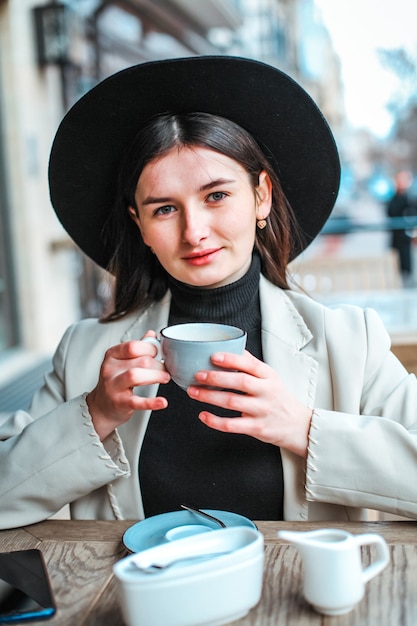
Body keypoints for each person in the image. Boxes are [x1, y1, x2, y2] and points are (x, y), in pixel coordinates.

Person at [1, 56, 417, 530]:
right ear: (139, 225)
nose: (194, 232)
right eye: (163, 209)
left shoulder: (348, 342)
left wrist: (304, 427)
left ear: (261, 196)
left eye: (216, 196)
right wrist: (93, 414)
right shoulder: (86, 353)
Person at [386, 170, 416, 285]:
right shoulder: (394, 199)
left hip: (409, 239)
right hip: (398, 238)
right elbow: (391, 213)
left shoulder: (411, 199)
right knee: (398, 264)